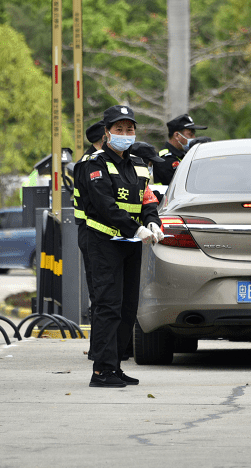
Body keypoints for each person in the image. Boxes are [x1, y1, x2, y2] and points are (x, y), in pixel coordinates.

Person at [82, 104, 164, 388]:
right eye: (119, 129)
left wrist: (152, 221)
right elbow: (104, 205)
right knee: (108, 306)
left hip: (131, 242)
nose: (125, 134)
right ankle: (101, 370)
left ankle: (115, 366)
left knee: (128, 307)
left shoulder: (140, 164)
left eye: (130, 130)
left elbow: (147, 198)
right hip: (104, 242)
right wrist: (136, 227)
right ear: (107, 132)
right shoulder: (94, 163)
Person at [72, 119, 106, 349]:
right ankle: (97, 348)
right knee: (99, 294)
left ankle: (101, 347)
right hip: (91, 233)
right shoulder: (88, 164)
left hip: (97, 232)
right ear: (103, 138)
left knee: (102, 293)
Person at [153, 114, 207, 185]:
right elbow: (185, 184)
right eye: (190, 134)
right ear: (177, 136)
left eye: (194, 134)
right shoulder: (165, 159)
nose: (194, 138)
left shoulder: (183, 154)